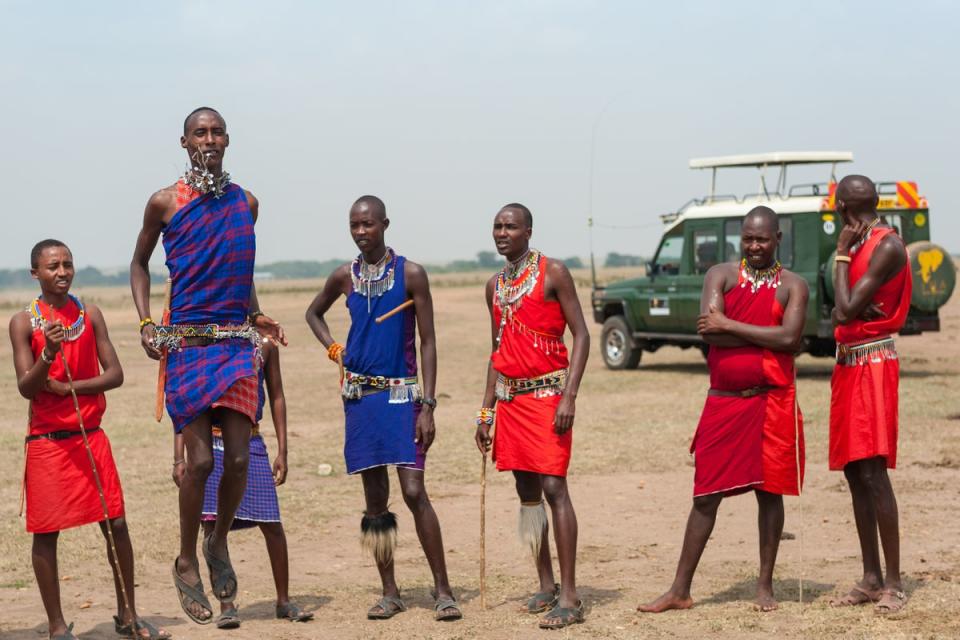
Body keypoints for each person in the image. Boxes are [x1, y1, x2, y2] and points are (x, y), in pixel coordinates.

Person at [130, 107, 284, 625]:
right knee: (197, 464)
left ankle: (217, 540)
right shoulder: (166, 202)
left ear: (228, 141)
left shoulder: (247, 203)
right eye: (201, 132)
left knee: (238, 459)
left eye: (217, 132)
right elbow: (139, 263)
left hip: (237, 344)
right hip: (189, 345)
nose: (210, 139)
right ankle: (185, 557)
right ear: (184, 142)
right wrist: (147, 322)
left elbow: (240, 269)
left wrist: (256, 311)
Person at [639, 206, 808, 613]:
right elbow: (708, 332)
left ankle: (764, 585)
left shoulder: (793, 285)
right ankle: (680, 589)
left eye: (762, 239)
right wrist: (758, 335)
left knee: (770, 494)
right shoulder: (721, 275)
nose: (753, 246)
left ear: (778, 239)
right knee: (705, 495)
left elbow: (789, 339)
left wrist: (730, 326)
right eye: (747, 238)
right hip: (724, 403)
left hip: (771, 402)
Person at [305, 195, 461, 622]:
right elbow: (313, 313)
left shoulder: (411, 274)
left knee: (413, 492)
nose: (360, 232)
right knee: (375, 500)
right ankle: (389, 592)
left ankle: (443, 590)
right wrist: (335, 348)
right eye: (354, 225)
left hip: (403, 397)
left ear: (385, 224)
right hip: (360, 399)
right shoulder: (344, 276)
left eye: (368, 224)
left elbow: (428, 341)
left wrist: (428, 403)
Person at [11, 240, 171, 640]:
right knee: (46, 533)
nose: (62, 272)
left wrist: (69, 389)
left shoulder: (90, 314)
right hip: (48, 442)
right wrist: (48, 353)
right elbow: (27, 388)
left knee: (116, 524)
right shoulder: (21, 323)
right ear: (36, 274)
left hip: (91, 438)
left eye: (67, 264)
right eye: (52, 267)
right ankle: (56, 625)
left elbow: (115, 373)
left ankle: (128, 615)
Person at [474, 203, 590, 630]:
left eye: (510, 227)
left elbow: (582, 335)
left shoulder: (553, 272)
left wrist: (569, 397)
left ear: (528, 231)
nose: (502, 233)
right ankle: (546, 583)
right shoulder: (495, 286)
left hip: (548, 398)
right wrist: (485, 412)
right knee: (527, 491)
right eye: (497, 227)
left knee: (554, 487)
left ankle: (571, 596)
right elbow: (497, 353)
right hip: (511, 403)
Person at [173, 338, 313, 628]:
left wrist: (283, 451)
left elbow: (276, 395)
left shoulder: (266, 346)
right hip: (208, 439)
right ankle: (227, 604)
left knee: (272, 524)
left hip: (249, 440)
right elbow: (187, 402)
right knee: (211, 524)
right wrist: (179, 458)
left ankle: (283, 600)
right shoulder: (203, 340)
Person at [828, 175, 911, 614]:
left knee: (875, 471)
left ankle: (894, 584)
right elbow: (843, 305)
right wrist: (852, 299)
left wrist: (841, 254)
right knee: (854, 471)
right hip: (849, 360)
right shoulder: (861, 244)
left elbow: (843, 307)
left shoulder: (886, 246)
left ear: (842, 207)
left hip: (874, 364)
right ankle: (870, 576)